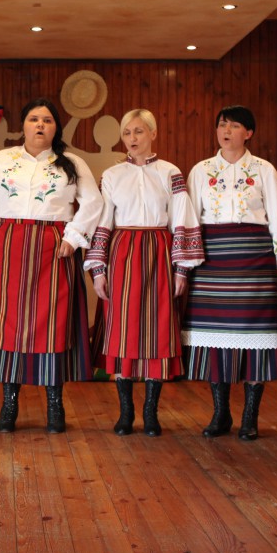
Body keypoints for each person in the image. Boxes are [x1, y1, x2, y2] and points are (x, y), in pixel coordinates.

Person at [0, 97, 103, 433]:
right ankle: (9, 404)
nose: (40, 125)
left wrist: (73, 237)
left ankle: (55, 404)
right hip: (8, 249)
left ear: (56, 127)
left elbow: (93, 203)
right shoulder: (1, 160)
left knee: (54, 325)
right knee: (8, 326)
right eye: (33, 119)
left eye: (47, 120)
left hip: (54, 251)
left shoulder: (71, 162)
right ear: (24, 125)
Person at [85, 109, 204, 436]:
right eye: (127, 133)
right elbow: (103, 221)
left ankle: (151, 413)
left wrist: (181, 269)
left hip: (158, 252)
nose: (132, 138)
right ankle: (126, 413)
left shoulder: (170, 172)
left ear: (153, 133)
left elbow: (181, 216)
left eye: (138, 131)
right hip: (122, 253)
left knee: (157, 328)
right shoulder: (112, 175)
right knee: (122, 328)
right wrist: (98, 269)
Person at [183, 105, 277, 441]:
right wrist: (186, 263)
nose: (225, 131)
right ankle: (220, 414)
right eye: (221, 125)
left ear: (249, 133)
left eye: (233, 125)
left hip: (255, 260)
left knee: (256, 340)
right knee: (214, 340)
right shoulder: (201, 170)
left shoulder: (264, 170)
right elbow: (190, 220)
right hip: (212, 261)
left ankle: (250, 417)